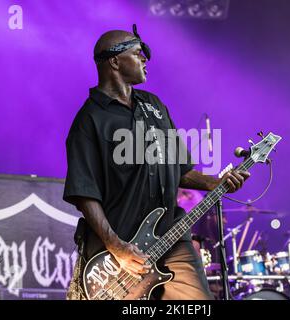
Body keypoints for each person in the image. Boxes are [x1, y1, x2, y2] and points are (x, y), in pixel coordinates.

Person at [63, 24, 250, 300]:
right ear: (114, 61)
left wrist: (216, 182)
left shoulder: (155, 106)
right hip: (121, 248)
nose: (145, 59)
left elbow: (181, 169)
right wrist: (116, 247)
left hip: (172, 234)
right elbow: (84, 194)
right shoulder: (89, 121)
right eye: (138, 53)